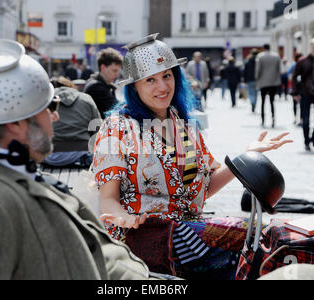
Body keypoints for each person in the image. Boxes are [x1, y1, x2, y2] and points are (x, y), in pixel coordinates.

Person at [0, 39, 164, 280]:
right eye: (49, 107)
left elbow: (97, 254)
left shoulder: (11, 176)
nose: (56, 117)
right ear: (15, 123)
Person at [92, 34, 293, 279]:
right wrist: (124, 217)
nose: (163, 87)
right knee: (251, 240)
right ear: (135, 87)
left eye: (167, 76)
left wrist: (246, 154)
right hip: (144, 238)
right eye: (151, 80)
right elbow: (108, 199)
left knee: (265, 238)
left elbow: (204, 188)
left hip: (187, 234)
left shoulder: (183, 124)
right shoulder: (117, 127)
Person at [43, 77, 101, 168]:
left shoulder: (44, 101)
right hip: (83, 152)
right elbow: (98, 129)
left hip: (51, 155)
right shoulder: (86, 98)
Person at [84, 47, 123, 119]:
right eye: (114, 71)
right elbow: (118, 110)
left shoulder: (104, 85)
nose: (117, 75)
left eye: (118, 71)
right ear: (103, 68)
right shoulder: (96, 87)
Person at [256, 44, 282, 128]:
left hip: (263, 82)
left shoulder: (260, 56)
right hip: (273, 82)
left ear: (263, 48)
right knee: (272, 101)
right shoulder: (276, 56)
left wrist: (257, 79)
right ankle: (273, 119)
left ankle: (263, 119)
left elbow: (258, 70)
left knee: (263, 102)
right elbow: (279, 70)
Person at [288, 52, 303, 125]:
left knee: (296, 104)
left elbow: (288, 73)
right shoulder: (303, 65)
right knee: (301, 104)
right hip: (300, 87)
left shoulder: (294, 65)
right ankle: (300, 119)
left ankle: (296, 118)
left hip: (295, 87)